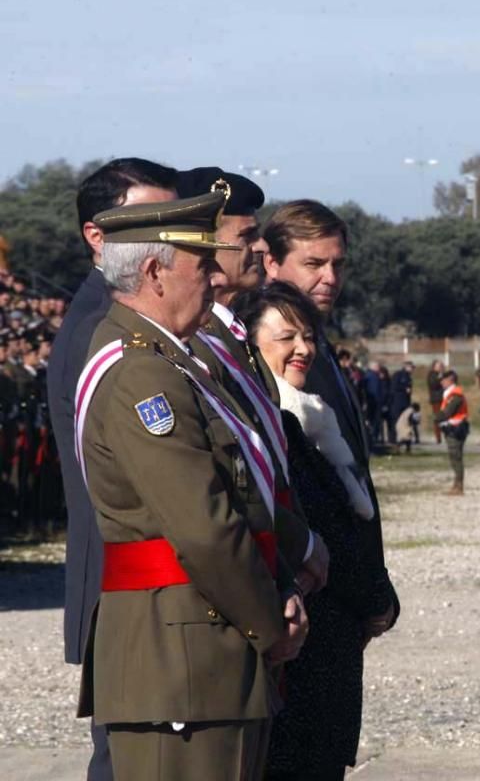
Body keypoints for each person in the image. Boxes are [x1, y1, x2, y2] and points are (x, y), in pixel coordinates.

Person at [76, 188, 309, 780]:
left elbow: (243, 500)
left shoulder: (174, 361)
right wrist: (270, 621)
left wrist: (278, 593)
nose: (214, 277)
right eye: (202, 264)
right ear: (155, 272)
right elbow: (204, 527)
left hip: (204, 650)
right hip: (180, 661)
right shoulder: (141, 374)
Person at [46, 157, 176, 781]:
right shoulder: (103, 324)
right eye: (150, 220)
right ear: (97, 237)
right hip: (131, 576)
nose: (169, 235)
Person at [234, 281, 394, 780]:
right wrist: (379, 602)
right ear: (250, 344)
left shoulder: (310, 419)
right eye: (286, 337)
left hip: (327, 660)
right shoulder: (273, 425)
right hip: (301, 664)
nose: (303, 348)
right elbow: (327, 538)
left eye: (308, 336)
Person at [175, 168, 329, 592]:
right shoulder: (197, 343)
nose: (261, 247)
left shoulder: (232, 336)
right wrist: (297, 548)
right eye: (246, 237)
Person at [262, 199, 399, 638]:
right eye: (314, 264)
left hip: (342, 594)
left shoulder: (316, 341)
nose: (330, 278)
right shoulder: (273, 352)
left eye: (338, 264)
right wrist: (369, 592)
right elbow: (314, 491)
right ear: (271, 262)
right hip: (314, 592)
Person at [435, 369, 469, 495]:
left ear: (450, 380)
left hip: (456, 429)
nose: (441, 382)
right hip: (453, 428)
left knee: (456, 457)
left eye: (443, 380)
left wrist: (435, 418)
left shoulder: (455, 395)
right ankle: (457, 484)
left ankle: (459, 486)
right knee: (454, 457)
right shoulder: (450, 394)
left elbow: (447, 412)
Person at [427, 358, 445, 444]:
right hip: (436, 399)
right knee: (438, 418)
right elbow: (434, 385)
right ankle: (438, 438)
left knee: (444, 417)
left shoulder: (442, 374)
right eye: (438, 366)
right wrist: (440, 379)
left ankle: (445, 435)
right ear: (434, 367)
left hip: (444, 398)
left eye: (441, 366)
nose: (440, 367)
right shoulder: (432, 375)